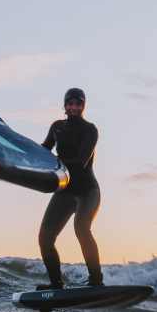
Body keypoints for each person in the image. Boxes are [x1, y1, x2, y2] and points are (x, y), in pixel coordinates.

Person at [37, 87, 103, 289]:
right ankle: (56, 284)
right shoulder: (57, 127)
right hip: (65, 191)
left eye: (78, 103)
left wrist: (55, 161)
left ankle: (96, 281)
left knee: (81, 228)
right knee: (45, 238)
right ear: (65, 105)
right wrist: (16, 154)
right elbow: (42, 151)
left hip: (87, 191)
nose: (74, 107)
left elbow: (80, 161)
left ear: (83, 106)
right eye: (70, 103)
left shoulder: (90, 129)